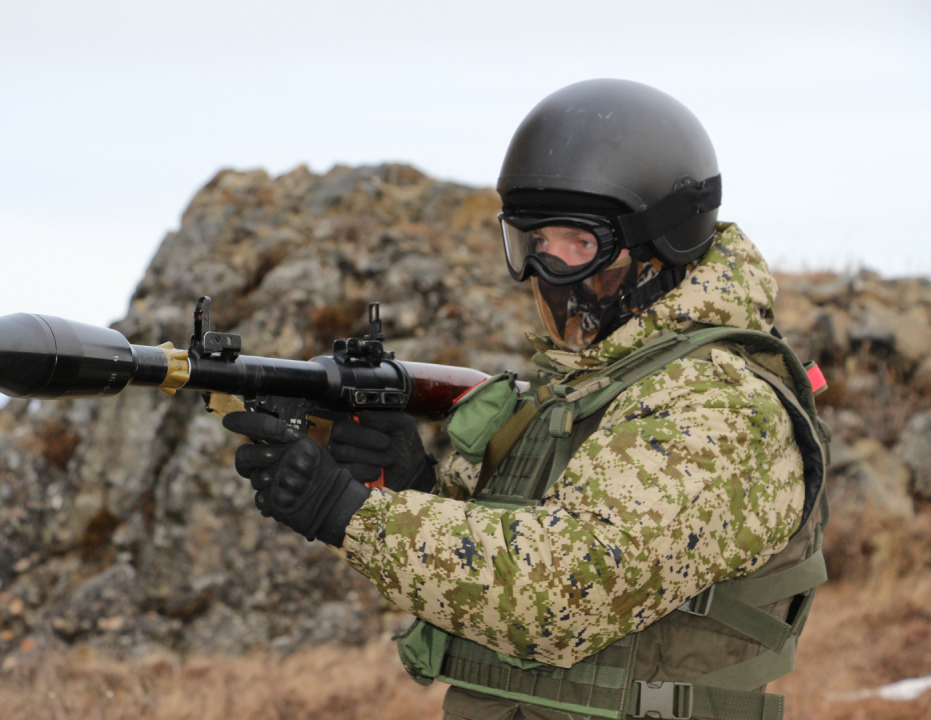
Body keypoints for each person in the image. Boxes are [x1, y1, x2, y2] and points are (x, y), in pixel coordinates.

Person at [223, 79, 829, 720]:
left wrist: (347, 513)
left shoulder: (719, 410)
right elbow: (500, 563)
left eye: (578, 243)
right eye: (534, 242)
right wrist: (416, 488)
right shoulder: (583, 388)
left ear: (658, 250)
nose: (548, 269)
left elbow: (562, 594)